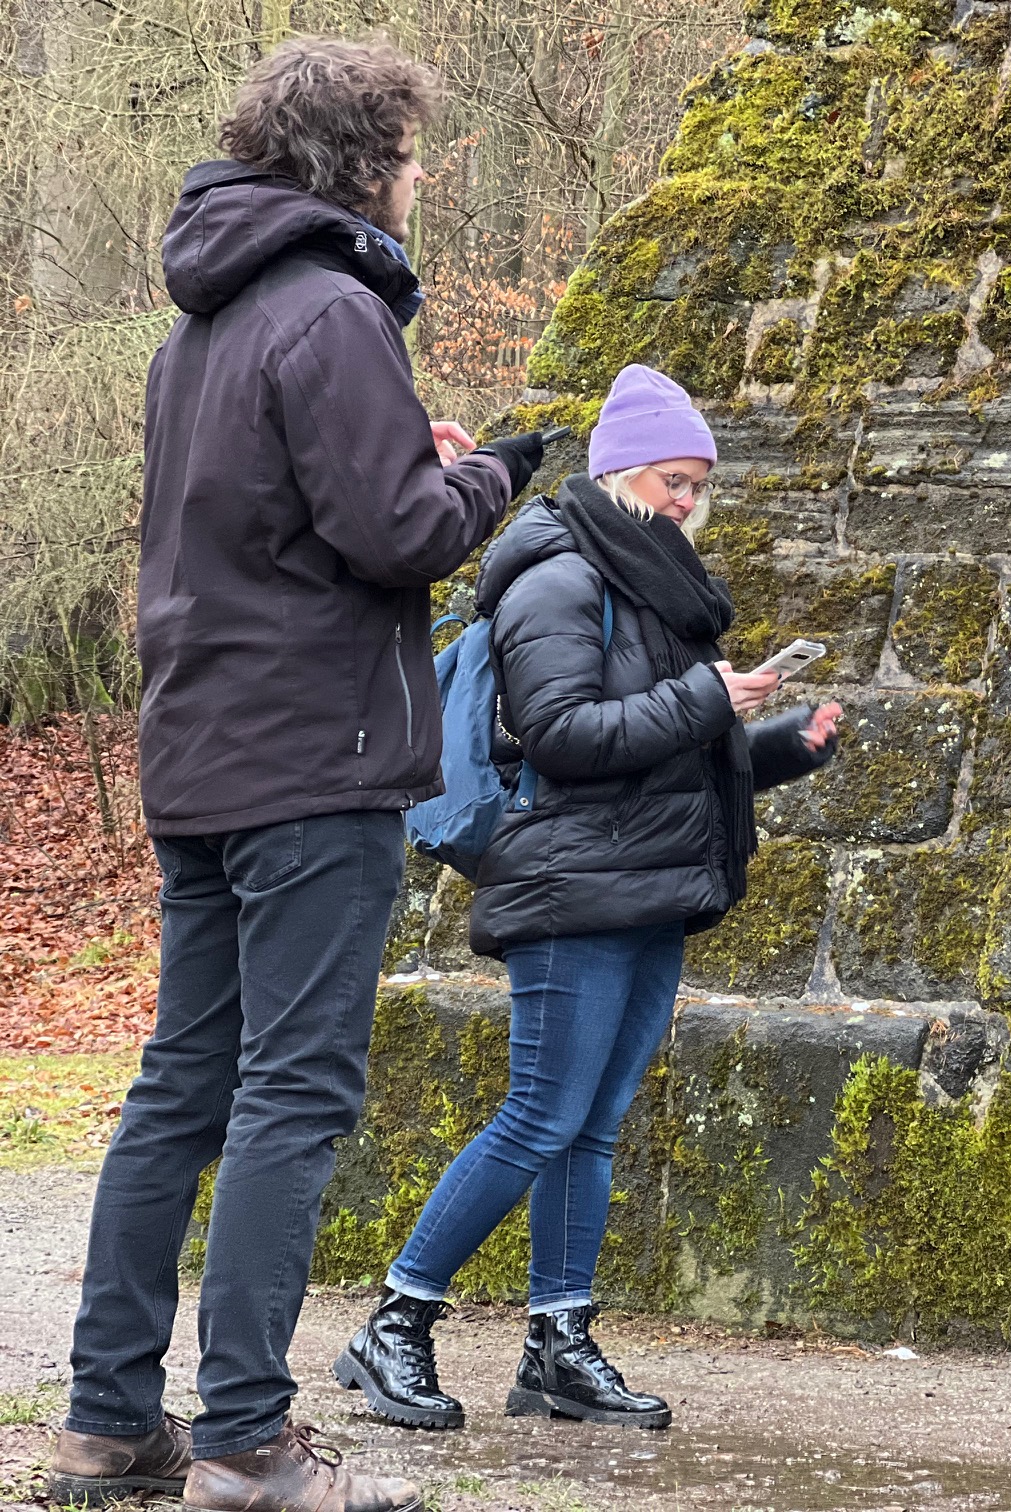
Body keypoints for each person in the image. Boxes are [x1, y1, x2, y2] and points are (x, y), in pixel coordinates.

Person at [47, 38, 554, 1512]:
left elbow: (293, 513)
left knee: (179, 1087)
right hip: (314, 761)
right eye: (409, 151)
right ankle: (249, 1444)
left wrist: (412, 460)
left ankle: (103, 1424)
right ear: (363, 163)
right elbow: (397, 536)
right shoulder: (334, 308)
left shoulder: (197, 333)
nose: (419, 175)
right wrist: (487, 475)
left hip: (201, 749)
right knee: (293, 1093)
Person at [333, 363, 841, 1432]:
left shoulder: (651, 583)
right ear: (618, 474)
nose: (687, 504)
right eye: (671, 481)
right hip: (569, 890)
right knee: (540, 1116)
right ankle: (394, 1324)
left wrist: (777, 746)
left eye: (698, 485)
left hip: (650, 885)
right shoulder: (558, 579)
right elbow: (564, 739)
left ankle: (558, 1346)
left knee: (591, 1127)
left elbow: (661, 754)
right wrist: (708, 696)